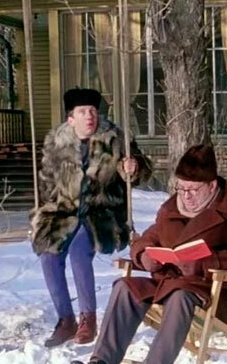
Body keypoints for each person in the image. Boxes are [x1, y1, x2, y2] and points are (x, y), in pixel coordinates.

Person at [74, 144, 227, 364]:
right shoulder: (171, 209)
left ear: (212, 185)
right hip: (168, 283)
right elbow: (147, 239)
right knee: (125, 287)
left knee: (179, 295)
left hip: (214, 293)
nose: (186, 196)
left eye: (193, 189)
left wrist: (205, 262)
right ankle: (101, 360)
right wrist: (144, 256)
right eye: (181, 188)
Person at [30, 87, 151, 348]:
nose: (89, 116)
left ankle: (88, 319)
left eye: (93, 111)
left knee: (78, 249)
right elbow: (46, 185)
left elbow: (143, 171)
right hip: (66, 213)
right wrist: (43, 216)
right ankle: (66, 320)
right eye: (83, 112)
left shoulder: (115, 139)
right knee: (48, 254)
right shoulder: (56, 144)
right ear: (70, 119)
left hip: (103, 213)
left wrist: (132, 168)